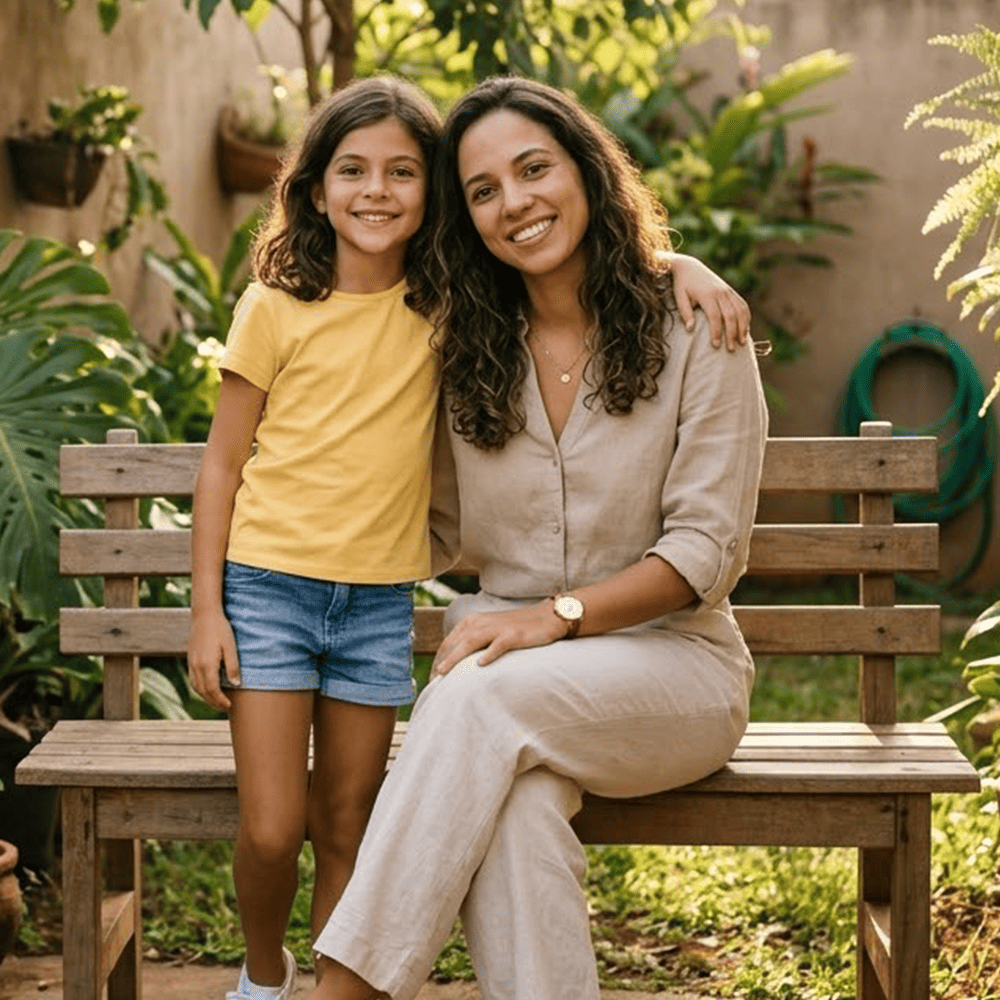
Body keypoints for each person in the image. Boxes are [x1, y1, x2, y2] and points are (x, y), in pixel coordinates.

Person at [187, 74, 748, 1000]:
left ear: (589, 173)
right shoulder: (468, 340)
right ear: (466, 217)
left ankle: (345, 990)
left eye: (536, 170)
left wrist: (552, 617)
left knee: (471, 693)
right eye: (484, 190)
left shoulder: (694, 324)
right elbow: (383, 480)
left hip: (670, 670)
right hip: (492, 667)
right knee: (516, 805)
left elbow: (705, 554)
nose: (514, 202)